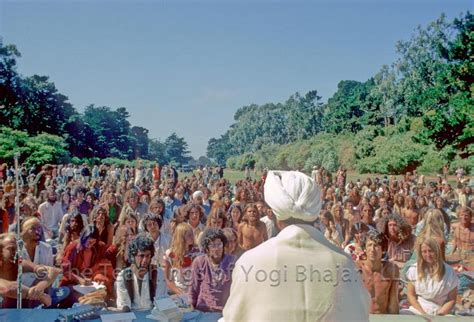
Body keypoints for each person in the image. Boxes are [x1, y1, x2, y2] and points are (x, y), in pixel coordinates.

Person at [221, 171, 369, 321]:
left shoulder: (250, 262)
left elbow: (233, 317)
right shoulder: (344, 263)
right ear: (315, 213)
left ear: (277, 217)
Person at [404, 237, 459, 316]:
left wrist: (439, 316)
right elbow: (411, 295)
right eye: (424, 251)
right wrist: (423, 314)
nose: (428, 254)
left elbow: (452, 299)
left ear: (436, 251)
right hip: (419, 309)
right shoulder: (414, 269)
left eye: (430, 251)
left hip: (441, 310)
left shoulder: (449, 272)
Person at [189, 228, 235, 315]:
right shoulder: (199, 262)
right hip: (203, 310)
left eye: (219, 244)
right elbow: (193, 289)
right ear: (206, 248)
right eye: (212, 245)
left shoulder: (232, 262)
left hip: (225, 311)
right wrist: (192, 309)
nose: (217, 248)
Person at [115, 234, 167, 311]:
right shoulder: (123, 276)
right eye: (141, 256)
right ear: (133, 256)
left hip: (154, 314)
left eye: (148, 256)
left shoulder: (158, 274)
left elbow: (160, 302)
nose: (145, 260)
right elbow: (124, 305)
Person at [357, 230, 399, 314]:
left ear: (383, 249)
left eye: (376, 245)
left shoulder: (391, 270)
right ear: (365, 248)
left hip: (382, 318)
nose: (372, 249)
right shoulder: (356, 268)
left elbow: (393, 302)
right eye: (369, 245)